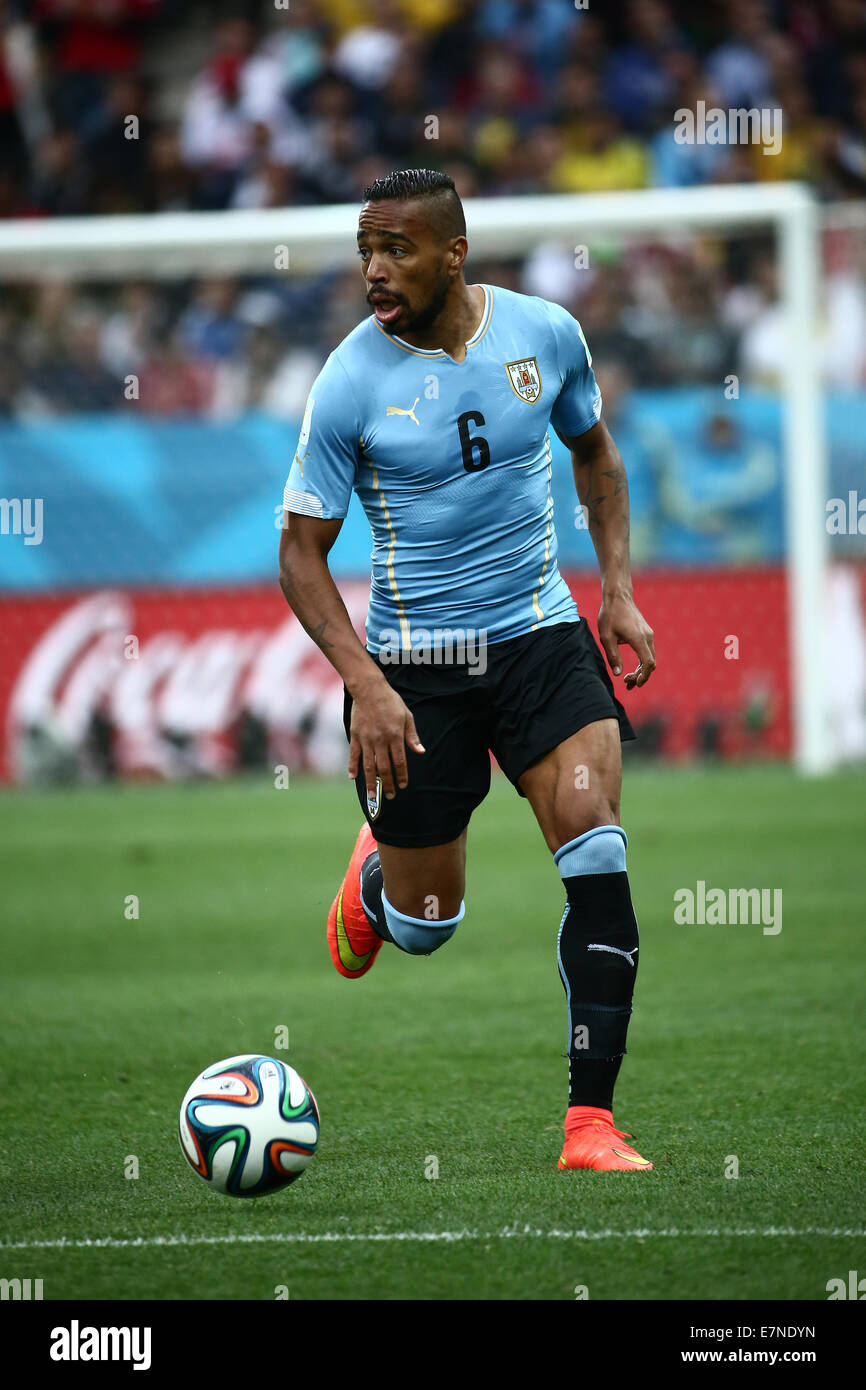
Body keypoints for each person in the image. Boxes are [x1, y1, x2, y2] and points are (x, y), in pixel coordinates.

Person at [278, 169, 657, 1171]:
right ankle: (373, 885)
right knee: (426, 925)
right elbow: (298, 550)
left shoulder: (544, 334)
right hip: (415, 670)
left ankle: (590, 1123)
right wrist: (364, 683)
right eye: (365, 250)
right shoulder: (347, 382)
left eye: (395, 249)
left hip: (538, 638)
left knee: (596, 848)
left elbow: (598, 458)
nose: (373, 270)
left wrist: (614, 590)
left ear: (453, 253)